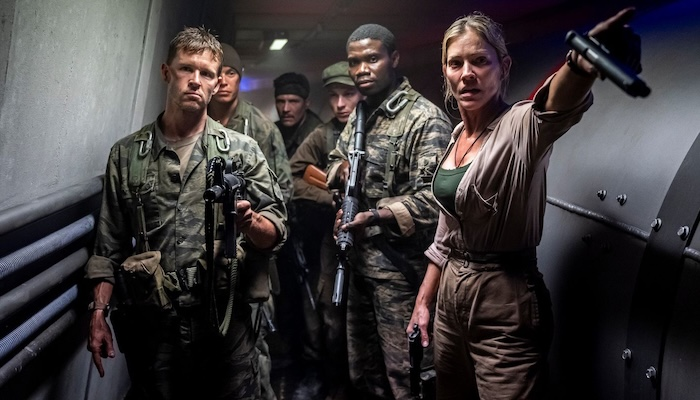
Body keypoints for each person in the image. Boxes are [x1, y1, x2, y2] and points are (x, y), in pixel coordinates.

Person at [406, 8, 642, 399]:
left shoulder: (519, 126)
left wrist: (579, 65)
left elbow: (552, 106)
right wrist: (424, 302)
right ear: (445, 72)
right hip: (450, 295)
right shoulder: (457, 135)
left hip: (503, 300)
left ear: (503, 67)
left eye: (480, 61)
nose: (467, 73)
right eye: (456, 63)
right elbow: (447, 231)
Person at [85, 27, 287, 400]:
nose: (196, 80)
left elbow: (277, 229)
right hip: (155, 329)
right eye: (186, 69)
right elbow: (108, 247)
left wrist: (251, 222)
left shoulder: (242, 151)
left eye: (207, 73)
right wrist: (98, 313)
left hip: (225, 326)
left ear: (217, 83)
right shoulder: (127, 155)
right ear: (167, 72)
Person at [327, 24, 453, 399]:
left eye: (372, 59)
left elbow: (437, 201)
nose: (362, 69)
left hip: (402, 277)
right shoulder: (361, 113)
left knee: (408, 379)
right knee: (364, 375)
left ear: (394, 59)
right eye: (354, 62)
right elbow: (335, 159)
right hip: (359, 268)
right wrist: (341, 175)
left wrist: (376, 216)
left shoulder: (424, 119)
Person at [207, 42, 290, 400]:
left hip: (251, 251)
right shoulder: (195, 124)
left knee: (255, 347)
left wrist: (254, 221)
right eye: (218, 72)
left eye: (231, 73)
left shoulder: (260, 127)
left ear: (239, 78)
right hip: (209, 257)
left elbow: (283, 188)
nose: (223, 80)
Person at [288, 61, 364, 400]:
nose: (340, 104)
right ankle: (332, 383)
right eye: (333, 96)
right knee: (330, 317)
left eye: (348, 94)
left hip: (380, 241)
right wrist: (330, 197)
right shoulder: (325, 134)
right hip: (335, 238)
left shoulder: (384, 129)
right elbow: (293, 176)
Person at [273, 72, 323, 158]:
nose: (285, 109)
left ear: (306, 103)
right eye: (280, 102)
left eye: (293, 101)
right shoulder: (271, 131)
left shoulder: (319, 136)